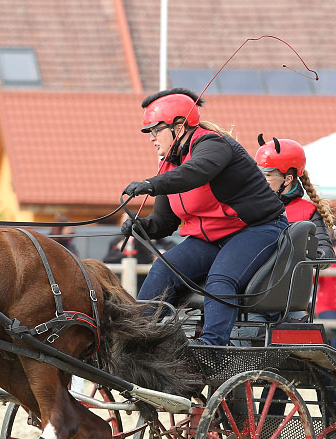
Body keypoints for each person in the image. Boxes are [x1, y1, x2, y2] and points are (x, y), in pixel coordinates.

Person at [119, 88, 289, 346]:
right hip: (212, 238)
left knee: (220, 280)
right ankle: (137, 341)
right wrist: (140, 226)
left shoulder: (213, 144)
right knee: (163, 268)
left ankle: (211, 346)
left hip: (257, 229)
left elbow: (195, 172)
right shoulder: (168, 165)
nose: (152, 138)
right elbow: (165, 222)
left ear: (178, 127)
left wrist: (151, 184)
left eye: (156, 130)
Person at [254, 136, 336, 260]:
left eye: (267, 175)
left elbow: (325, 252)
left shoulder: (309, 211)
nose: (260, 180)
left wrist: (304, 254)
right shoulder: (251, 206)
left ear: (287, 179)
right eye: (259, 174)